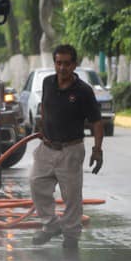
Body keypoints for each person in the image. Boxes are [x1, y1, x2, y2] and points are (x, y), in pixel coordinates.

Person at [31, 43, 103, 249]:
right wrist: (43, 128)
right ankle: (50, 225)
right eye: (58, 63)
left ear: (74, 65)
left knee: (71, 196)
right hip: (46, 148)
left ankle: (71, 235)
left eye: (67, 64)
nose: (62, 68)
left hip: (71, 150)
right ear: (54, 63)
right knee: (36, 183)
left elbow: (97, 123)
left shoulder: (83, 91)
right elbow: (44, 107)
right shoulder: (47, 83)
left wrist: (98, 150)